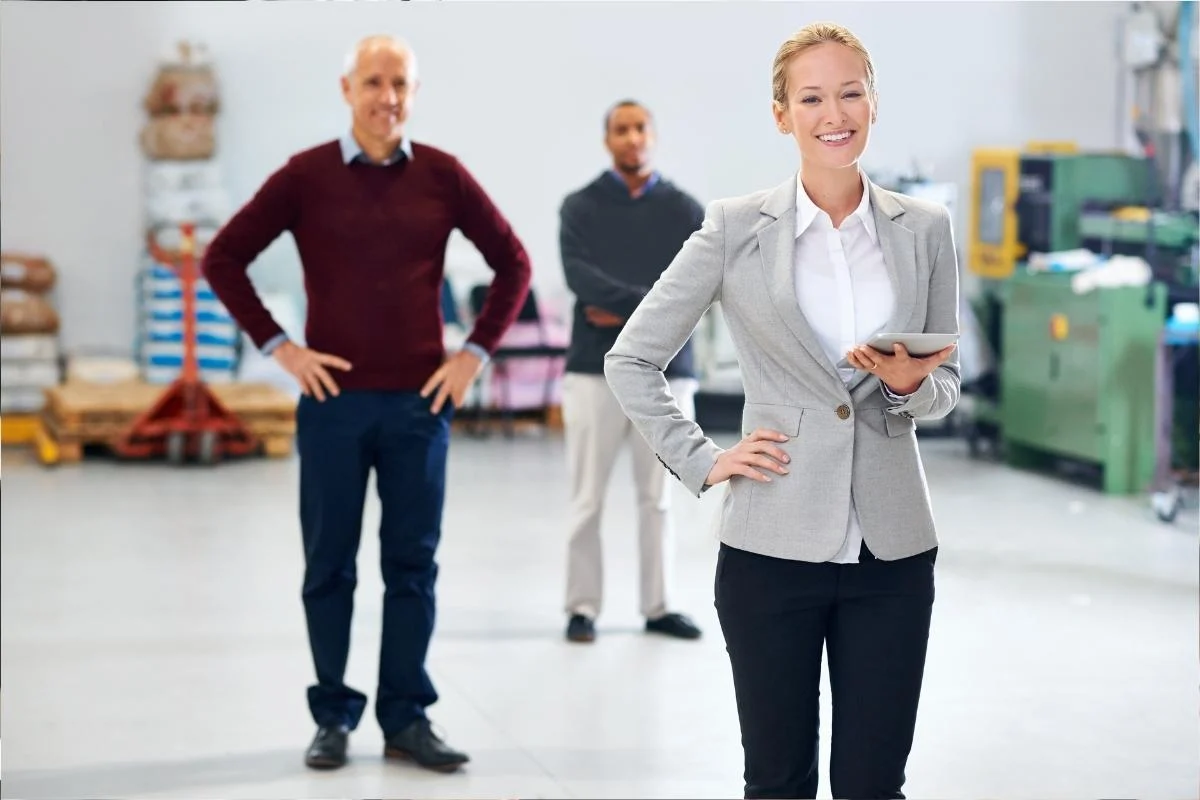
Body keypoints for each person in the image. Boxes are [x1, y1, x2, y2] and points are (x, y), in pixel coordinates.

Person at [603, 22, 959, 800]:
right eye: (812, 97)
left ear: (873, 102)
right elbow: (632, 358)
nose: (835, 112)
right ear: (781, 114)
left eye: (851, 92)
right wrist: (703, 460)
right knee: (777, 782)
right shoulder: (736, 228)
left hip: (893, 551)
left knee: (873, 785)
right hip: (771, 546)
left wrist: (906, 386)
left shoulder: (926, 229)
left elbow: (944, 385)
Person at [202, 35, 532, 773]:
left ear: (414, 93)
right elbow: (222, 256)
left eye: (402, 85)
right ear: (347, 88)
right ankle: (331, 715)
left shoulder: (443, 176)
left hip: (419, 405)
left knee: (412, 566)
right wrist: (280, 347)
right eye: (375, 82)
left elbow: (514, 261)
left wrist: (472, 355)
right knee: (329, 566)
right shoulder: (305, 177)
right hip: (333, 405)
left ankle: (406, 716)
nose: (389, 98)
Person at [559, 100, 706, 644]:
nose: (632, 138)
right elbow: (580, 278)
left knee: (660, 497)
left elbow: (695, 284)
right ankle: (581, 607)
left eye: (640, 127)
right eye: (621, 130)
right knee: (587, 497)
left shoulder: (687, 210)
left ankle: (659, 605)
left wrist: (623, 308)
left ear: (653, 135)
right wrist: (653, 305)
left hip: (667, 372)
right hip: (593, 371)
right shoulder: (579, 207)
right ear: (608, 140)